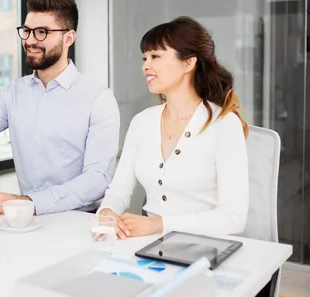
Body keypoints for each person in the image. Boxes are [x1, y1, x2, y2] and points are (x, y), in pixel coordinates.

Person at [0, 0, 120, 221]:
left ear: (69, 37)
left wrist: (29, 202)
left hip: (79, 222)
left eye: (42, 32)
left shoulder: (98, 99)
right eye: (27, 31)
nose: (30, 40)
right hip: (26, 219)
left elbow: (97, 179)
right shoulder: (12, 92)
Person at [97, 16, 249, 239]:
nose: (145, 66)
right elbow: (119, 190)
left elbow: (234, 218)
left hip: (207, 249)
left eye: (156, 56)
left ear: (189, 63)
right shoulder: (142, 122)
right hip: (148, 245)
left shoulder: (224, 124)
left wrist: (159, 224)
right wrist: (108, 212)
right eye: (145, 58)